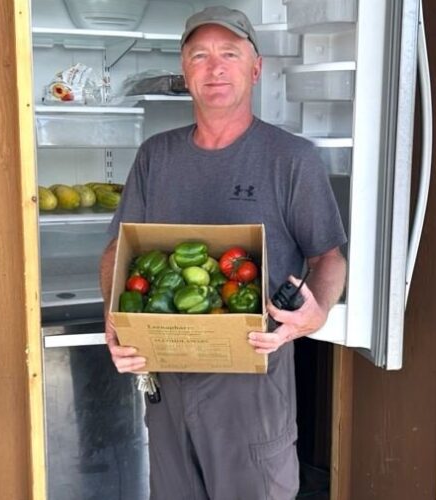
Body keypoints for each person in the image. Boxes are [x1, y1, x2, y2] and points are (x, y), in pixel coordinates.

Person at [98, 6, 348, 499]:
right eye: (200, 56)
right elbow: (116, 250)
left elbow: (327, 257)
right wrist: (115, 317)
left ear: (255, 69)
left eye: (229, 54)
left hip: (251, 388)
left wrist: (313, 317)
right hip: (167, 379)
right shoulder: (156, 155)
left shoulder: (291, 158)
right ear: (184, 71)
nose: (214, 68)